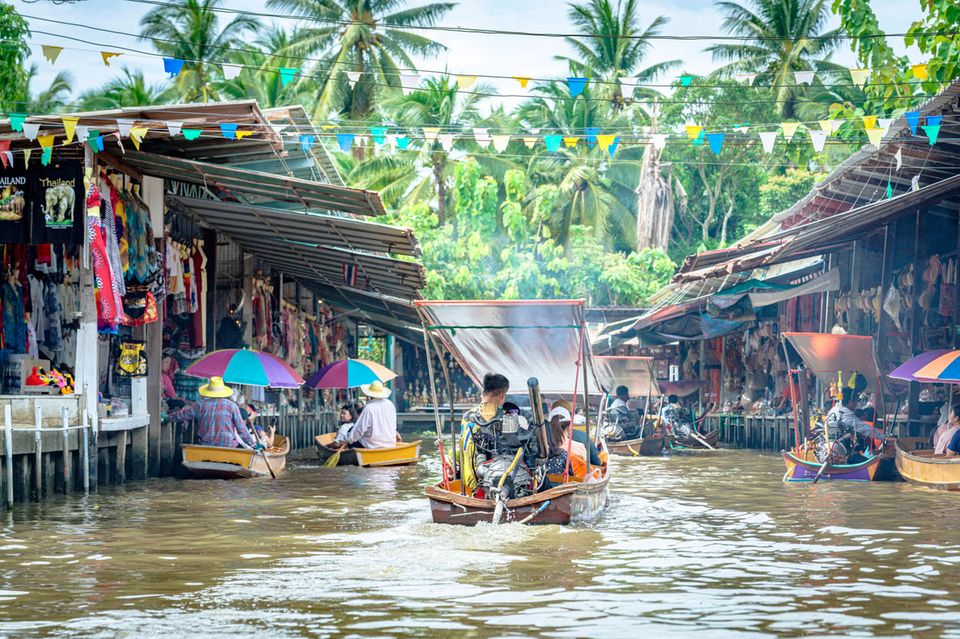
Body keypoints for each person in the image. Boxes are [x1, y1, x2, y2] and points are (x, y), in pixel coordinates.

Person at [167, 377, 258, 449]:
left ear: (209, 391)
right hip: (228, 447)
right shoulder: (232, 406)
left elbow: (182, 415)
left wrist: (167, 417)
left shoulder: (200, 405)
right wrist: (254, 445)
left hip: (206, 445)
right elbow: (241, 429)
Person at [459, 373, 511, 492]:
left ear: (483, 394)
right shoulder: (499, 417)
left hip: (467, 479)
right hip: (484, 481)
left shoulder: (467, 416)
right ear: (502, 396)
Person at [335, 380, 397, 449]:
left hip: (371, 445)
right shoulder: (390, 405)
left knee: (351, 439)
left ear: (370, 394)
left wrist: (348, 441)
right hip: (390, 444)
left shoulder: (369, 408)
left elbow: (359, 430)